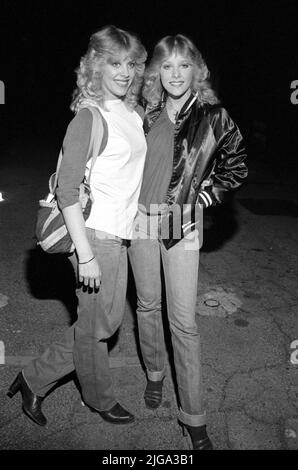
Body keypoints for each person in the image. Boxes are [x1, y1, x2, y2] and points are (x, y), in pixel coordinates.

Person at [7, 25, 147, 427]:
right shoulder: (89, 118)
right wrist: (85, 255)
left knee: (99, 323)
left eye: (130, 63)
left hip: (120, 233)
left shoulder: (132, 114)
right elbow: (67, 191)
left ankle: (32, 377)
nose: (123, 71)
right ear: (95, 67)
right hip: (93, 236)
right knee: (99, 326)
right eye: (113, 63)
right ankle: (100, 398)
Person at [128, 34, 248, 450]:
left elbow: (236, 165)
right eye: (166, 66)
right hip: (139, 223)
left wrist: (203, 197)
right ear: (156, 72)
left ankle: (193, 416)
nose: (175, 74)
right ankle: (155, 374)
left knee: (184, 323)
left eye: (183, 65)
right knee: (146, 305)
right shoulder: (145, 112)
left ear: (196, 70)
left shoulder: (215, 116)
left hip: (182, 226)